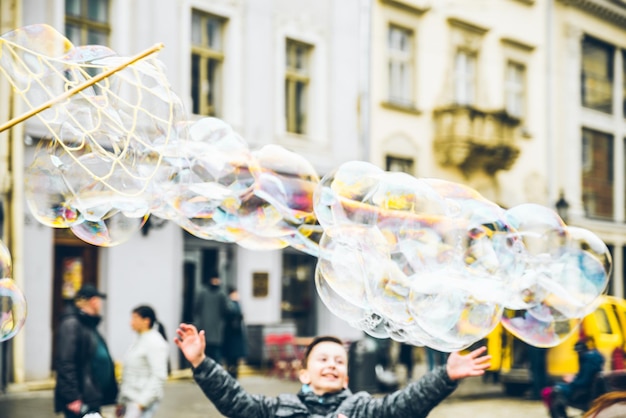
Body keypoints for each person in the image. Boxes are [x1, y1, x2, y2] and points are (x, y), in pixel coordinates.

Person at [174, 322, 491, 417]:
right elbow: (236, 402)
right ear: (304, 374)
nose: (331, 365)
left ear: (346, 377)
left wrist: (444, 376)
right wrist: (201, 362)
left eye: (339, 361)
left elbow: (405, 405)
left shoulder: (361, 409)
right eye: (323, 359)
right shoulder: (280, 408)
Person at [54, 284, 118, 418]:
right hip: (79, 400)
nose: (100, 304)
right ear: (93, 301)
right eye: (99, 300)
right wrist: (72, 397)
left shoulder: (87, 323)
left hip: (91, 397)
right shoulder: (71, 324)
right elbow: (65, 362)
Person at [116, 305, 169, 418]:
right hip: (131, 399)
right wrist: (121, 401)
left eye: (135, 318)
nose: (131, 322)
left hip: (141, 401)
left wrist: (141, 403)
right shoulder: (139, 339)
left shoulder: (155, 342)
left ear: (146, 321)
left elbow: (159, 376)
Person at [542, 337, 605, 418]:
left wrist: (571, 381)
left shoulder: (587, 361)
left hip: (580, 393)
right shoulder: (592, 360)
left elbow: (582, 382)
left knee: (555, 390)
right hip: (584, 391)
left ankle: (559, 415)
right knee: (555, 389)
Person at [193, 275, 229, 363]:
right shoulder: (221, 294)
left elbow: (196, 308)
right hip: (216, 331)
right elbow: (227, 310)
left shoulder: (202, 292)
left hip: (204, 329)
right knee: (216, 355)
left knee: (204, 354)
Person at [222, 286, 248, 378]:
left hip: (234, 335)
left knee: (234, 357)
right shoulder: (231, 304)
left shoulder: (235, 304)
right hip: (232, 335)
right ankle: (232, 372)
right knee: (231, 357)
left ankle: (233, 372)